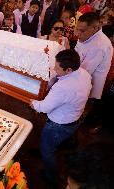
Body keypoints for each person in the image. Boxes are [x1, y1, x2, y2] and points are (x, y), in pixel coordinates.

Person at [30, 49, 92, 187]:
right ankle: (45, 150)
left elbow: (44, 107)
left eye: (57, 67)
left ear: (69, 69)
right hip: (74, 119)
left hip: (58, 125)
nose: (54, 68)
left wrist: (33, 103)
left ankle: (51, 177)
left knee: (48, 150)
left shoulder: (63, 87)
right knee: (53, 143)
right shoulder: (84, 74)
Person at [75, 12, 113, 131]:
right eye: (77, 29)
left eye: (82, 31)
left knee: (78, 112)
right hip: (77, 74)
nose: (78, 34)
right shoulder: (87, 35)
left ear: (95, 28)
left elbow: (84, 71)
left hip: (88, 82)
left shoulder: (100, 45)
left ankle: (73, 134)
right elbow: (77, 51)